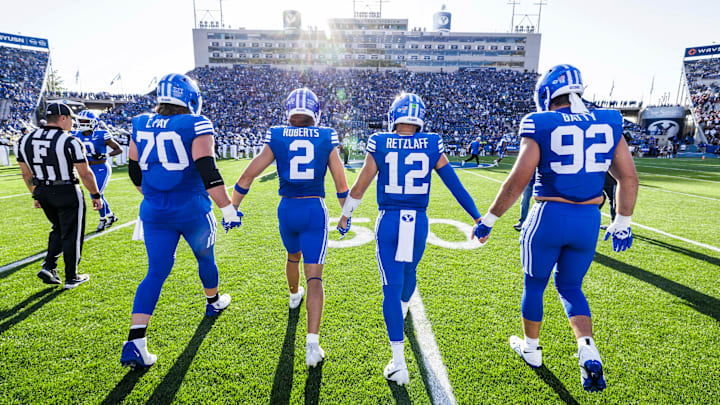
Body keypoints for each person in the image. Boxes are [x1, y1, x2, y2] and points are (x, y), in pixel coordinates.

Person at [473, 64, 638, 393]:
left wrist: (489, 219)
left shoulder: (541, 122)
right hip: (589, 220)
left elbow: (518, 180)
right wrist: (622, 221)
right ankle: (587, 348)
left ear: (547, 93)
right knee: (571, 288)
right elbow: (628, 178)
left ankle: (532, 349)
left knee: (534, 286)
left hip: (548, 215)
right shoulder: (608, 120)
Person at [337, 93, 482, 386]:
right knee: (409, 272)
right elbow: (455, 185)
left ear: (395, 115)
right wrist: (478, 218)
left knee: (390, 286)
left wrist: (346, 215)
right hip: (418, 222)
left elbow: (360, 185)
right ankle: (403, 312)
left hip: (390, 219)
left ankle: (398, 362)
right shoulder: (431, 143)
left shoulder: (380, 141)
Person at [120, 73, 242, 370]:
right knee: (205, 258)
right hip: (192, 211)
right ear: (189, 97)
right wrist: (228, 209)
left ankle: (135, 341)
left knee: (156, 272)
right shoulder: (196, 123)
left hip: (155, 212)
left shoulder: (140, 122)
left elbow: (134, 169)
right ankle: (212, 302)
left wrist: (153, 196)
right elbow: (207, 170)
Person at [230, 88, 349, 368]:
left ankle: (294, 295)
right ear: (315, 112)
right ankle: (312, 345)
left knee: (291, 257)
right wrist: (346, 215)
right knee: (315, 278)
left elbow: (248, 175)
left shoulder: (277, 135)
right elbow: (341, 185)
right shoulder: (325, 136)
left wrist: (232, 207)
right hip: (313, 210)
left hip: (287, 209)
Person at [15, 103, 103, 289]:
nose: (72, 122)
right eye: (71, 118)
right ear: (63, 118)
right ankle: (72, 276)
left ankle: (49, 266)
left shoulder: (24, 140)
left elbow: (26, 174)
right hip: (67, 190)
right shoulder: (70, 141)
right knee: (72, 233)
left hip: (43, 190)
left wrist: (35, 194)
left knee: (59, 228)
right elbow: (85, 172)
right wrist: (96, 194)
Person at [74, 110, 122, 231]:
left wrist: (106, 155)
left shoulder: (102, 134)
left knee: (94, 194)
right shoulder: (76, 135)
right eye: (81, 121)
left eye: (86, 121)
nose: (83, 124)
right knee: (99, 194)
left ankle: (103, 219)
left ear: (93, 122)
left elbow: (118, 149)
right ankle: (111, 216)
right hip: (87, 169)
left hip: (101, 168)